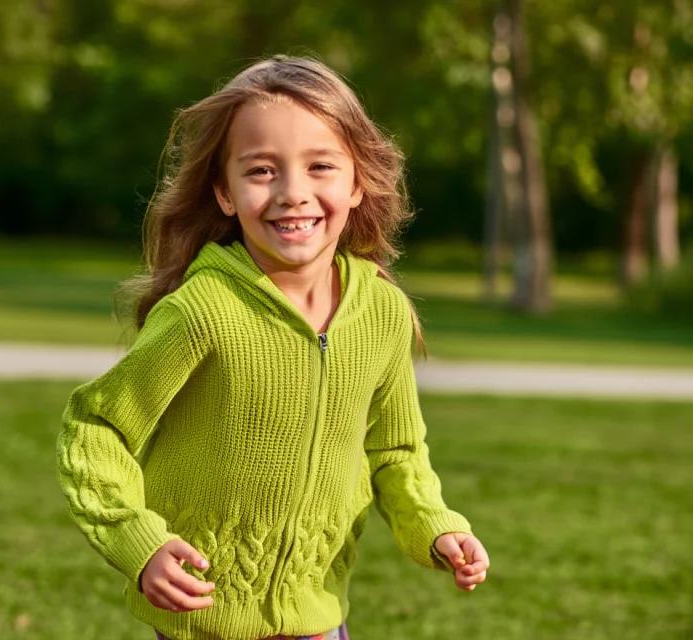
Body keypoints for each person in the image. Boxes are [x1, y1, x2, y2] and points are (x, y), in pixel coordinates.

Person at [56, 54, 490, 640]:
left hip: (318, 615)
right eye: (262, 171)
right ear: (225, 193)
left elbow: (394, 450)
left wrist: (435, 527)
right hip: (203, 614)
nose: (293, 193)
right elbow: (96, 428)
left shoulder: (383, 313)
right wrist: (137, 541)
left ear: (358, 181)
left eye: (320, 167)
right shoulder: (203, 310)